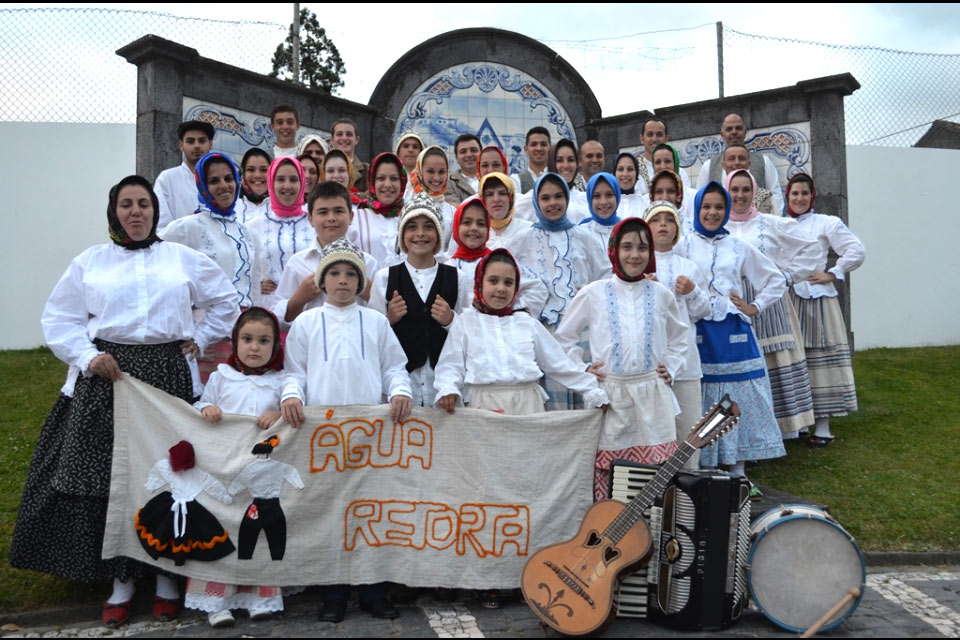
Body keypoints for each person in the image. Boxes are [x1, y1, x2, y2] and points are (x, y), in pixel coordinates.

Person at [10, 175, 237, 628]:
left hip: (166, 377)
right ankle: (120, 581)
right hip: (109, 376)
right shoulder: (89, 262)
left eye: (144, 204)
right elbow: (60, 318)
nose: (136, 212)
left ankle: (167, 578)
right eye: (127, 205)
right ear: (114, 212)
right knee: (109, 479)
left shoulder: (182, 258)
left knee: (168, 477)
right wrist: (88, 356)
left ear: (155, 211)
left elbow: (226, 301)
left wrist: (200, 336)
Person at [279, 237, 411, 623]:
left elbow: (394, 368)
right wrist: (290, 397)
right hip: (325, 435)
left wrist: (400, 391)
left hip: (370, 434)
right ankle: (333, 593)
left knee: (370, 513)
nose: (342, 281)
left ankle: (373, 590)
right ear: (322, 281)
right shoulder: (305, 322)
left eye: (350, 274)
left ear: (360, 281)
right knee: (331, 512)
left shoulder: (375, 322)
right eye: (334, 273)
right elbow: (294, 373)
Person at [555, 217, 689, 500]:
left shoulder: (661, 293)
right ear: (614, 250)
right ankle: (612, 534)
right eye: (626, 247)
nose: (634, 255)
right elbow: (564, 337)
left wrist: (671, 367)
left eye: (642, 247)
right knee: (613, 474)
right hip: (611, 397)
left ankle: (652, 531)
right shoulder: (595, 292)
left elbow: (680, 336)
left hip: (653, 396)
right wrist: (583, 370)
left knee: (656, 474)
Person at [675, 182, 786, 488]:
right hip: (698, 329)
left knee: (739, 396)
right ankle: (707, 463)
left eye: (719, 207)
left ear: (727, 210)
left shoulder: (738, 246)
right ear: (696, 210)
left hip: (734, 329)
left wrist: (755, 306)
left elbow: (775, 279)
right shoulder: (683, 244)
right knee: (704, 396)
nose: (712, 213)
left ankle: (738, 467)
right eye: (706, 207)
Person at [186, 307, 285, 627]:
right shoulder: (220, 377)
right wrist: (208, 408)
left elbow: (294, 416)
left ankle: (258, 598)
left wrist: (278, 415)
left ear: (275, 347)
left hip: (260, 477)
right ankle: (217, 602)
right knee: (221, 532)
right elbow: (199, 405)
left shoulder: (280, 382)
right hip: (225, 471)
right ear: (235, 341)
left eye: (263, 340)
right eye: (247, 339)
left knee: (256, 536)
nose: (254, 347)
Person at [724, 169, 819, 439]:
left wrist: (789, 276)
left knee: (774, 360)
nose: (740, 195)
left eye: (745, 189)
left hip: (769, 300)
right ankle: (745, 432)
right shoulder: (720, 226)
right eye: (735, 189)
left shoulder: (771, 223)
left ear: (754, 192)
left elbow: (811, 248)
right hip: (734, 304)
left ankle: (782, 428)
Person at [161, 152, 266, 384]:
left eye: (228, 178)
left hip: (245, 341)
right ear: (202, 184)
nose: (224, 186)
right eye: (214, 181)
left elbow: (254, 291)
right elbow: (155, 264)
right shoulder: (187, 228)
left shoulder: (249, 234)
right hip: (202, 339)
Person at [510, 173, 608, 409]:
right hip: (544, 329)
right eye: (545, 198)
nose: (552, 203)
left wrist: (592, 290)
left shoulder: (584, 236)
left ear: (567, 198)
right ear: (536, 202)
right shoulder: (523, 238)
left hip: (582, 329)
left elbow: (606, 274)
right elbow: (507, 273)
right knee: (552, 397)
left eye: (558, 196)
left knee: (586, 388)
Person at [369, 196, 473, 409]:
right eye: (412, 227)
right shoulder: (385, 278)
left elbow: (469, 332)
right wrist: (389, 319)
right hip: (402, 388)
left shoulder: (456, 277)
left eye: (428, 227)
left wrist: (451, 320)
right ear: (402, 234)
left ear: (438, 234)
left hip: (443, 387)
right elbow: (372, 337)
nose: (420, 234)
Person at [785, 173, 865, 446]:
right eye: (794, 193)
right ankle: (796, 424)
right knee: (793, 360)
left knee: (821, 360)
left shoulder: (826, 223)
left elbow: (856, 249)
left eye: (804, 193)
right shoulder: (780, 223)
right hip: (788, 298)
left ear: (812, 196)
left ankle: (822, 427)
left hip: (817, 299)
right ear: (788, 195)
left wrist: (833, 272)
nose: (799, 198)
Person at [644, 201, 711, 469]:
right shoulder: (639, 266)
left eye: (669, 220)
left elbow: (703, 311)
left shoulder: (688, 267)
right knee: (654, 432)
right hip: (651, 364)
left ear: (677, 229)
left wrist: (693, 291)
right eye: (656, 220)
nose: (662, 225)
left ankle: (689, 485)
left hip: (685, 364)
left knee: (687, 430)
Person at [273, 181, 377, 325]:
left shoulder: (368, 262)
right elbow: (277, 320)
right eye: (323, 212)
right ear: (310, 219)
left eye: (338, 211)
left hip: (357, 342)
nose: (331, 218)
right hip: (312, 343)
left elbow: (382, 315)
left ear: (351, 217)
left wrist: (372, 295)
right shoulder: (297, 263)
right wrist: (299, 298)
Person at [445, 198, 546, 315]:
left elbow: (537, 288)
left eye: (481, 224)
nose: (474, 228)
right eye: (467, 222)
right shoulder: (448, 268)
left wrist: (512, 312)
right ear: (456, 226)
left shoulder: (498, 262)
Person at [246, 157, 312, 312]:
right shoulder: (253, 226)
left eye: (293, 180)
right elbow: (242, 269)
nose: (287, 186)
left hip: (309, 306)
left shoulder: (314, 222)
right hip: (268, 307)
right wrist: (255, 284)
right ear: (271, 182)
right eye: (280, 179)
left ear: (302, 183)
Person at [696, 113, 785, 215]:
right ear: (722, 134)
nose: (734, 132)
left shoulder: (764, 162)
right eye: (729, 129)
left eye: (738, 128)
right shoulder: (708, 166)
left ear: (745, 132)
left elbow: (776, 197)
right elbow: (699, 198)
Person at [348, 152, 408, 271]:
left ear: (402, 182)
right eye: (381, 178)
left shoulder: (411, 216)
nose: (387, 185)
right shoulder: (357, 218)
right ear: (372, 182)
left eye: (394, 178)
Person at [155, 120, 214, 231]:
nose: (197, 146)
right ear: (181, 145)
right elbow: (160, 227)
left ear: (210, 144)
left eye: (202, 141)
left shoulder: (221, 180)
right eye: (190, 141)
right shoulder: (167, 179)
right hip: (178, 246)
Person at [408, 145, 456, 250]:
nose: (436, 178)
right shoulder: (407, 204)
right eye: (430, 171)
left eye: (442, 172)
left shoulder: (452, 212)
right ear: (420, 172)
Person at [636, 119, 692, 196]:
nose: (654, 139)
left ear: (666, 139)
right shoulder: (635, 173)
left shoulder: (680, 173)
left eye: (659, 135)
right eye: (650, 134)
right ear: (642, 139)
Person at [481, 171, 533, 250]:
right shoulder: (476, 233)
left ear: (511, 198)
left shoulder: (529, 230)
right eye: (489, 194)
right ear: (483, 200)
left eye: (502, 193)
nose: (496, 199)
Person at [578, 172, 622, 249]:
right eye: (597, 196)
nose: (603, 202)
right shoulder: (581, 233)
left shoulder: (626, 230)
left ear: (617, 196)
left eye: (609, 195)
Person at [331, 118, 368, 192]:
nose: (344, 138)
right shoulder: (322, 168)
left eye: (349, 134)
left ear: (357, 140)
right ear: (332, 139)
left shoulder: (366, 170)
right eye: (339, 134)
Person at [237, 148, 272, 225]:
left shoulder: (283, 209)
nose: (257, 175)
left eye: (264, 170)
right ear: (243, 173)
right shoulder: (233, 208)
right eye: (251, 170)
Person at [445, 133, 481, 205]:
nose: (469, 155)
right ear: (456, 158)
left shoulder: (494, 179)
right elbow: (456, 211)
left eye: (473, 150)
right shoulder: (448, 184)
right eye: (463, 151)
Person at [513, 126, 551, 194]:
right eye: (534, 144)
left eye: (543, 144)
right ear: (526, 149)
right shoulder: (516, 181)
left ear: (550, 148)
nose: (539, 148)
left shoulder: (558, 179)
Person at [395, 132, 424, 200]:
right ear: (398, 152)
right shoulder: (390, 177)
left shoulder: (428, 179)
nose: (410, 150)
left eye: (415, 147)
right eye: (406, 146)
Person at [614, 152, 643, 218]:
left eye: (630, 169)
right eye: (620, 169)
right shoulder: (607, 205)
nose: (625, 174)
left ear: (637, 173)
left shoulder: (646, 203)